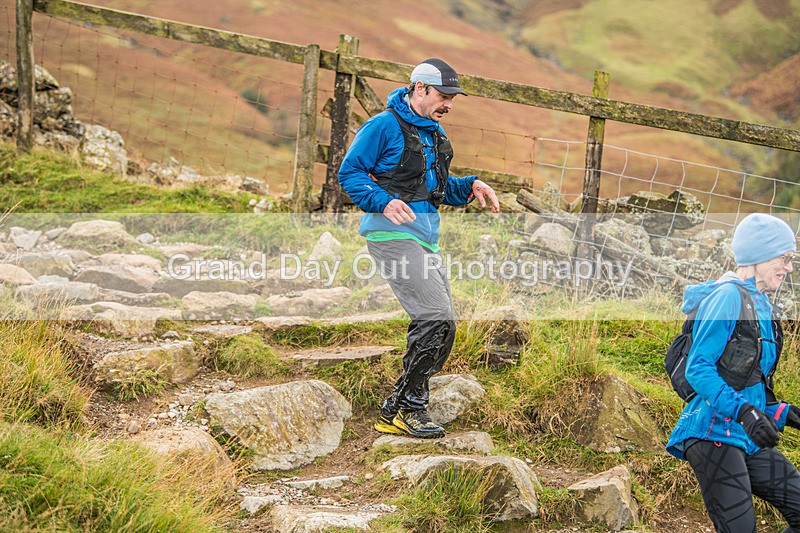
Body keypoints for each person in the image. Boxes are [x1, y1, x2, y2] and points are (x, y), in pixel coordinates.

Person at [338, 58, 499, 438]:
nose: (449, 105)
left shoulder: (434, 134)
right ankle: (410, 409)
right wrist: (382, 201)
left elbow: (434, 189)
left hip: (425, 238)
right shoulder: (382, 126)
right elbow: (350, 172)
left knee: (444, 326)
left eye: (453, 99)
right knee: (435, 318)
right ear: (420, 89)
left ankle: (397, 407)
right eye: (444, 96)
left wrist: (470, 185)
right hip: (390, 237)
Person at [666, 213, 800, 532]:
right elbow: (699, 369)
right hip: (713, 433)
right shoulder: (728, 297)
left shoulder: (763, 307)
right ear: (759, 255)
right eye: (784, 258)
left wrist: (783, 412)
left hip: (745, 437)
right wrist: (745, 413)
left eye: (792, 259)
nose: (790, 268)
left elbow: (748, 381)